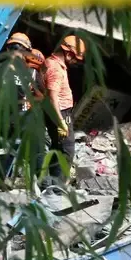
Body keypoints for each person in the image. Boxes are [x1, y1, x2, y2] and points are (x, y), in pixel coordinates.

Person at [43, 35, 86, 180]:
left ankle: (52, 182)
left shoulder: (51, 63)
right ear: (68, 53)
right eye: (75, 58)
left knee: (57, 147)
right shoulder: (55, 69)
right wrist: (60, 121)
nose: (75, 62)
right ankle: (57, 187)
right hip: (60, 112)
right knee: (66, 149)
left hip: (60, 111)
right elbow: (52, 97)